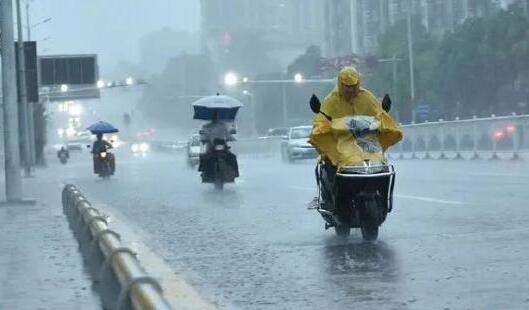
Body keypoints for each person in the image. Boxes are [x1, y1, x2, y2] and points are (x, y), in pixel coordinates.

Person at [309, 66, 402, 181]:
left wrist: (382, 122)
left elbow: (380, 115)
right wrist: (327, 127)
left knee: (381, 165)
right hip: (341, 142)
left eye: (353, 86)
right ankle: (335, 194)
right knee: (331, 164)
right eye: (346, 86)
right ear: (340, 84)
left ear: (358, 83)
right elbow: (320, 121)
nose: (350, 90)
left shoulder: (367, 97)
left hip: (367, 141)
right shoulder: (331, 101)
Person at [198, 112, 239, 179]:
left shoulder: (223, 126)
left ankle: (235, 172)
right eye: (214, 116)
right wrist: (204, 139)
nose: (216, 118)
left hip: (223, 146)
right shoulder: (206, 127)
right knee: (204, 157)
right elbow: (203, 136)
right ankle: (204, 172)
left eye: (217, 116)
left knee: (232, 157)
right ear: (211, 118)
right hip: (211, 147)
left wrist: (232, 139)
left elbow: (228, 135)